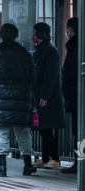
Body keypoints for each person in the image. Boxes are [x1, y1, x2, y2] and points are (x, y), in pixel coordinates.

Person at [0, 23, 38, 177]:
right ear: (16, 35)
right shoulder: (25, 54)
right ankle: (27, 165)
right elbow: (32, 77)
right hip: (21, 98)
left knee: (1, 133)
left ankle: (2, 168)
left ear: (1, 36)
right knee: (23, 133)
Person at [31, 22, 65, 169]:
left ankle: (55, 158)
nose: (33, 35)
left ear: (40, 33)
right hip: (40, 96)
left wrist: (44, 95)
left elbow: (51, 76)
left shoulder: (50, 51)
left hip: (48, 98)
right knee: (42, 128)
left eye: (35, 32)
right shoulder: (41, 50)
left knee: (47, 128)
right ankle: (45, 157)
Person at [62, 17, 78, 174]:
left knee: (79, 132)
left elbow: (68, 74)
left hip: (77, 96)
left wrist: (66, 90)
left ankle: (80, 162)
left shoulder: (74, 48)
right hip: (77, 95)